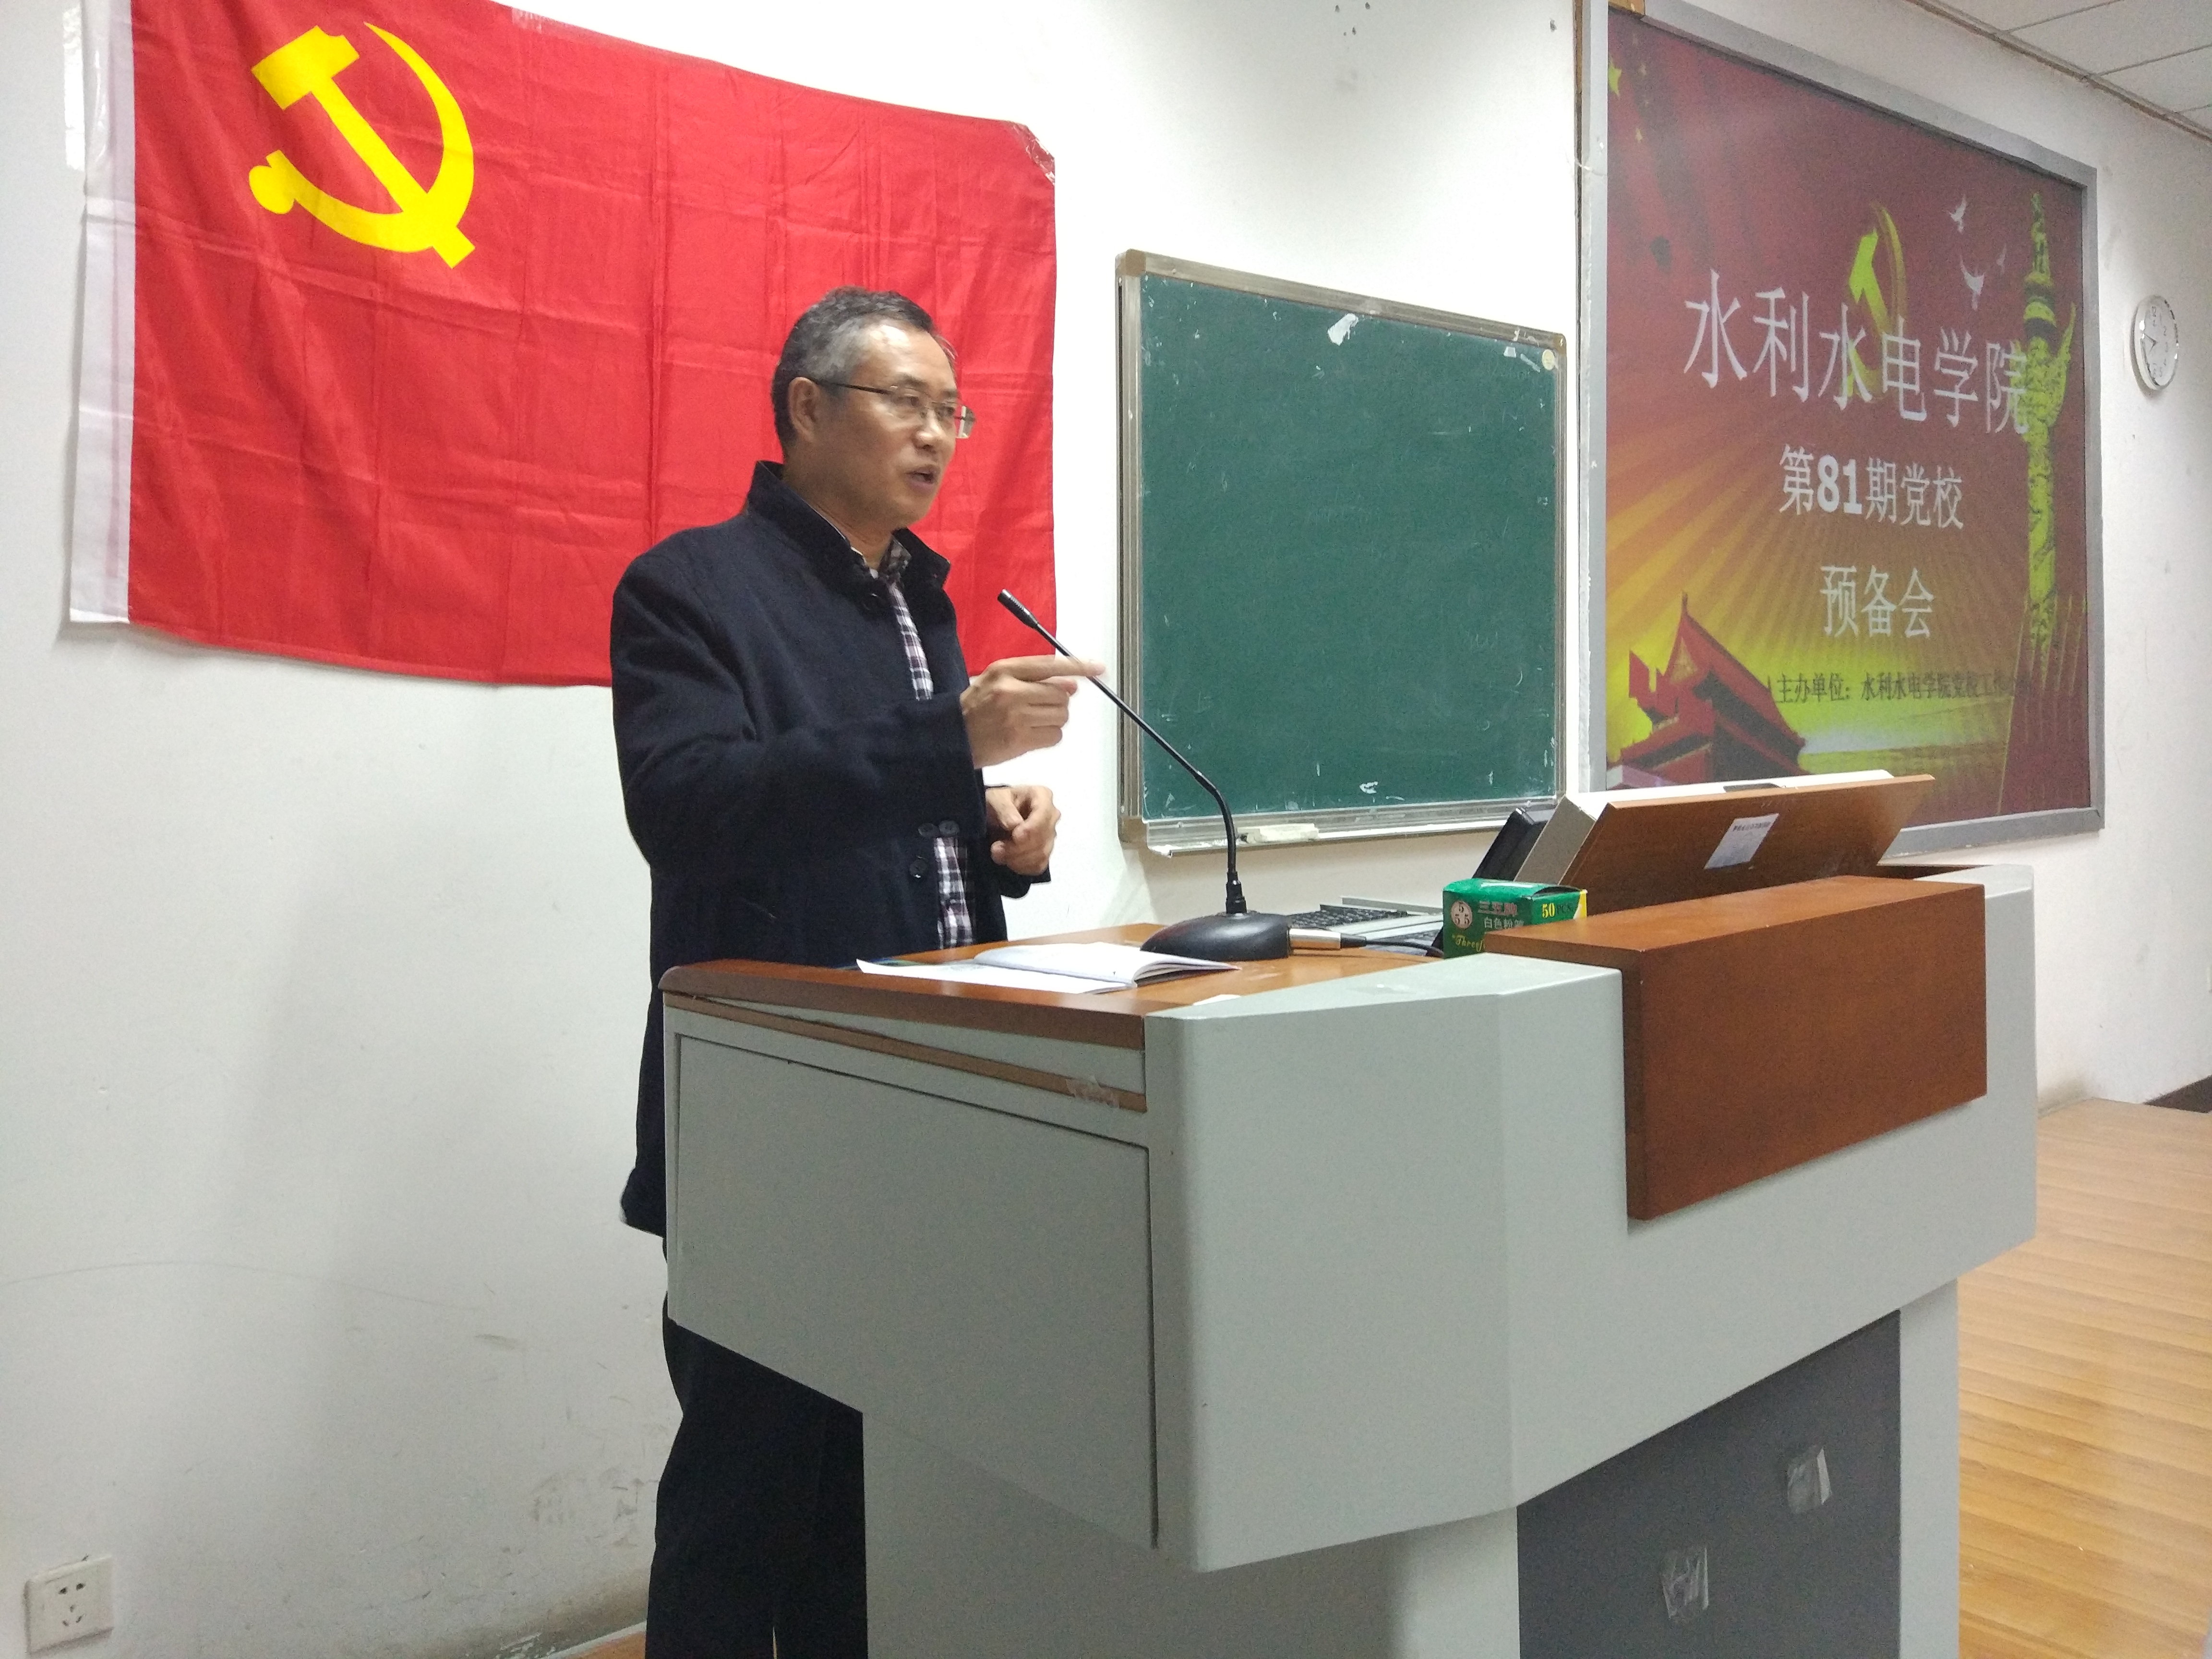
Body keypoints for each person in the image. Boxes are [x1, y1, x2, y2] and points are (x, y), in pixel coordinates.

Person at [608, 287, 1098, 1658]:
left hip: (922, 1099)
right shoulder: (689, 588)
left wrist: (997, 832)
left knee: (876, 1499)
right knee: (747, 1486)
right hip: (775, 1111)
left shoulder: (920, 601)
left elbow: (873, 815)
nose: (938, 435)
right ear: (809, 408)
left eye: (954, 412)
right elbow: (693, 810)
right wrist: (948, 748)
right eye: (909, 404)